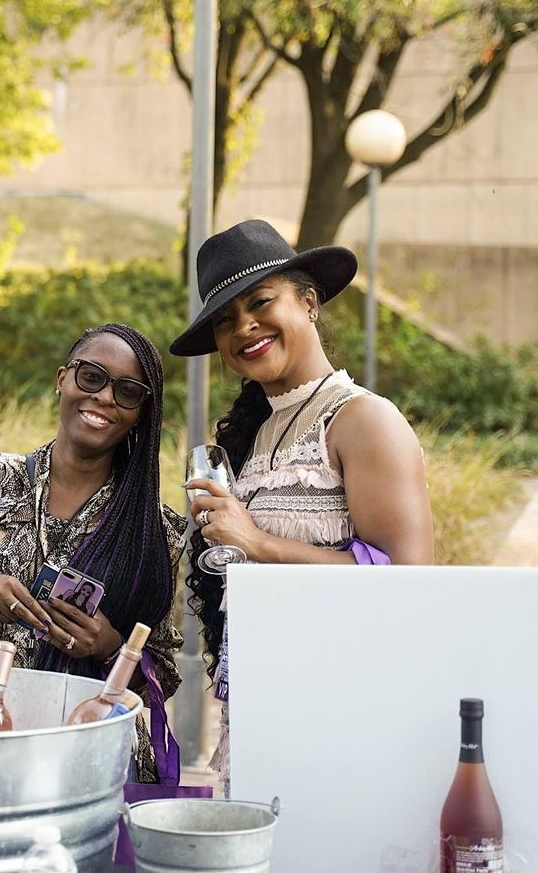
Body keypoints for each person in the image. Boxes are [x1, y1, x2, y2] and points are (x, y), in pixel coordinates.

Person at [168, 218, 434, 790]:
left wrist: (258, 541)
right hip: (261, 707)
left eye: (261, 302)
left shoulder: (363, 420)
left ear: (308, 302)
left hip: (344, 710)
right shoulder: (256, 434)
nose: (245, 327)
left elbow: (410, 584)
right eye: (225, 320)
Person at [0, 323, 186, 781]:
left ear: (141, 412)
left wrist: (109, 646)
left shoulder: (158, 530)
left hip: (88, 757)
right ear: (62, 379)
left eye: (128, 391)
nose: (105, 397)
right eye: (91, 377)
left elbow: (162, 677)